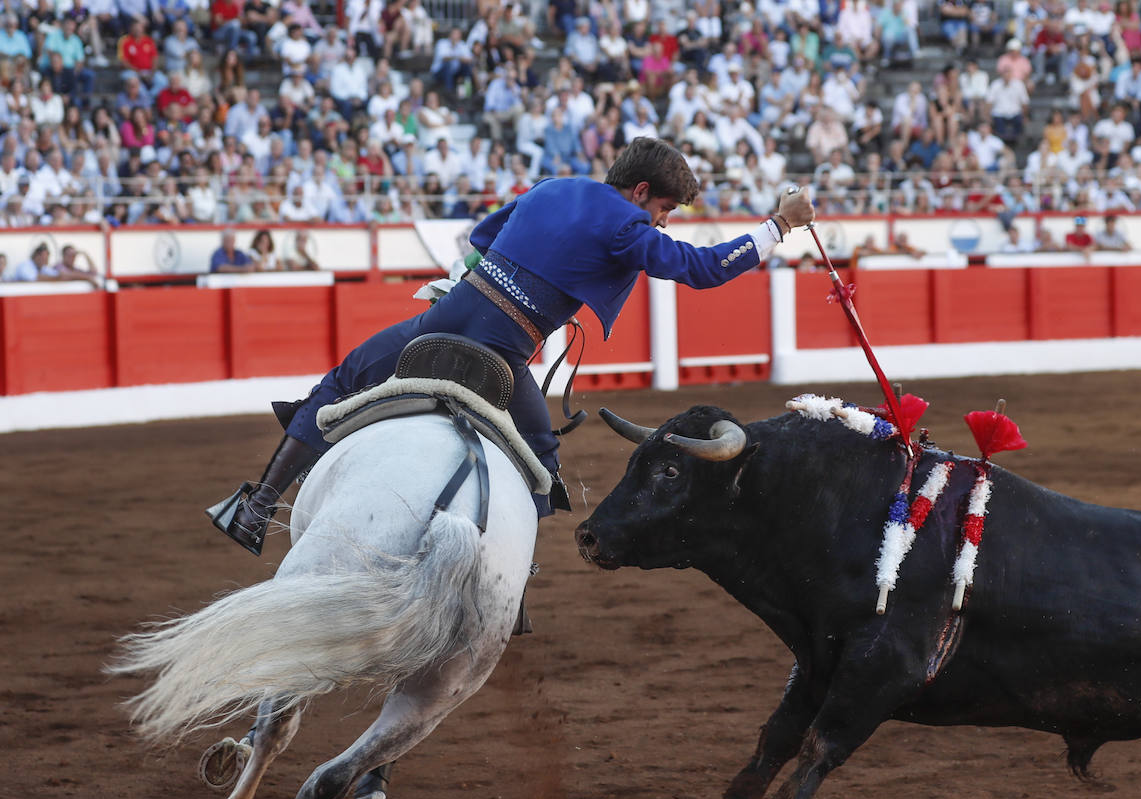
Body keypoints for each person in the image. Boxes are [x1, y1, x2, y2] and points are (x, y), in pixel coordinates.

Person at [216, 137, 815, 554]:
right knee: (543, 462)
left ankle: (257, 507)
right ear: (638, 192)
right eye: (662, 210)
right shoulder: (628, 226)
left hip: (441, 322)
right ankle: (513, 582)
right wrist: (778, 226)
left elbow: (481, 235)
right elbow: (704, 268)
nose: (660, 224)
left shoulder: (552, 186)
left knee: (341, 381)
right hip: (504, 357)